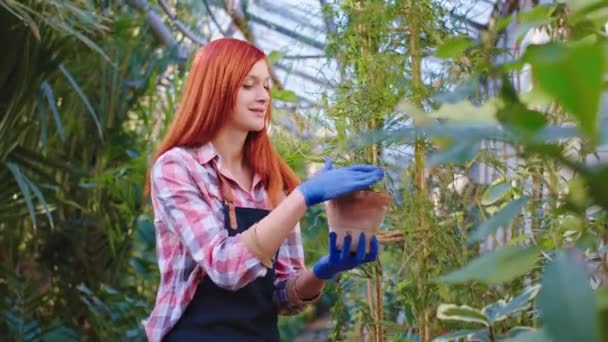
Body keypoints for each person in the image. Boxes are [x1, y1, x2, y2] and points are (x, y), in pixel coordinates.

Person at [143, 37, 385, 342]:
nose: (263, 97)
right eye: (248, 85)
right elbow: (225, 266)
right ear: (215, 88)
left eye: (266, 85)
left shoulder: (272, 179)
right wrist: (302, 197)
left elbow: (282, 296)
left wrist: (323, 271)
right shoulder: (177, 169)